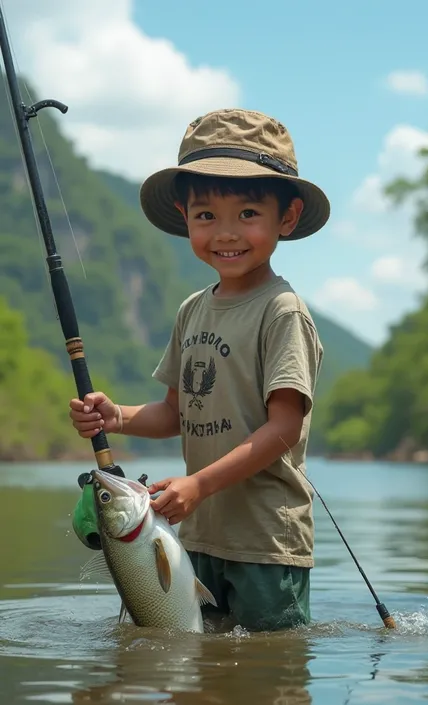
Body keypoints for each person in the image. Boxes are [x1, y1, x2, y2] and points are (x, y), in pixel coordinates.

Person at [70, 108, 330, 631]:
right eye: (206, 216)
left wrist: (198, 485)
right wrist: (115, 416)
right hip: (198, 533)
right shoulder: (192, 309)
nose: (226, 233)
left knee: (266, 670)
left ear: (287, 217)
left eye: (249, 214)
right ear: (184, 216)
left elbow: (284, 428)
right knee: (200, 664)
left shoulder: (282, 310)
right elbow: (175, 412)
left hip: (265, 541)